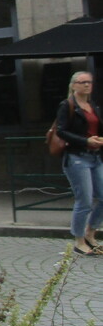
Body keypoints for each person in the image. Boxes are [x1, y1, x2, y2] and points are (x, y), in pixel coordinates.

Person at [56, 71, 103, 256]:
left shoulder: (93, 105)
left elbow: (96, 128)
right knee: (84, 200)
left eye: (89, 82)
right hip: (77, 157)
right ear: (73, 85)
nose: (86, 85)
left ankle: (90, 233)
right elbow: (61, 131)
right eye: (82, 82)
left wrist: (98, 139)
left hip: (95, 156)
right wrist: (85, 141)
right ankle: (79, 241)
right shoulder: (67, 105)